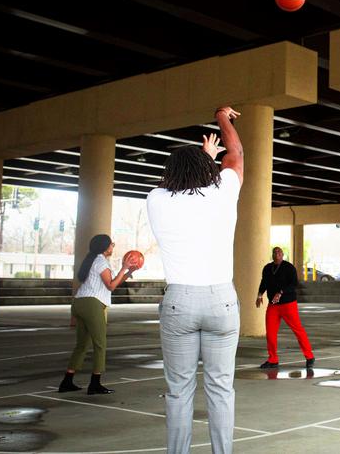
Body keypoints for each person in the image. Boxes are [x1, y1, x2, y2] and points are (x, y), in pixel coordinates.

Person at [147, 106, 243, 454]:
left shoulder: (156, 199)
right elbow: (236, 154)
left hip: (180, 301)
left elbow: (172, 185)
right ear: (208, 169)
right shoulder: (224, 192)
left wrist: (200, 160)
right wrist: (222, 118)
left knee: (178, 390)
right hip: (221, 300)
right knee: (221, 388)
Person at [59, 234, 137, 394]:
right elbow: (111, 286)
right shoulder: (101, 262)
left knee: (82, 345)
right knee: (100, 344)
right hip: (92, 304)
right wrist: (124, 267)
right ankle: (95, 384)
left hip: (79, 303)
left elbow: (113, 282)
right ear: (105, 247)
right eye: (111, 244)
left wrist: (128, 271)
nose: (113, 246)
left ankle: (67, 381)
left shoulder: (92, 260)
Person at [255, 247, 315, 369]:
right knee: (270, 332)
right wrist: (260, 295)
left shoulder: (289, 268)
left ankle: (309, 356)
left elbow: (293, 284)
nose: (277, 254)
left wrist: (280, 292)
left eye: (279, 252)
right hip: (273, 305)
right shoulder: (267, 268)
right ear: (272, 255)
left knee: (298, 330)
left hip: (288, 304)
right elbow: (264, 282)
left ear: (282, 255)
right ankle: (273, 359)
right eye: (274, 252)